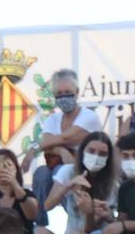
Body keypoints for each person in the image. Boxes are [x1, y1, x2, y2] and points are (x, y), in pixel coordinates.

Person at [30, 69, 107, 207]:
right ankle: (39, 220)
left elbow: (63, 139)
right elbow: (48, 145)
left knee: (63, 170)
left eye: (68, 92)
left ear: (77, 92)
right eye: (59, 94)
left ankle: (76, 215)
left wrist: (33, 150)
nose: (63, 97)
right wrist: (62, 152)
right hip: (61, 168)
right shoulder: (52, 119)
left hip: (89, 170)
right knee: (41, 173)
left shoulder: (89, 117)